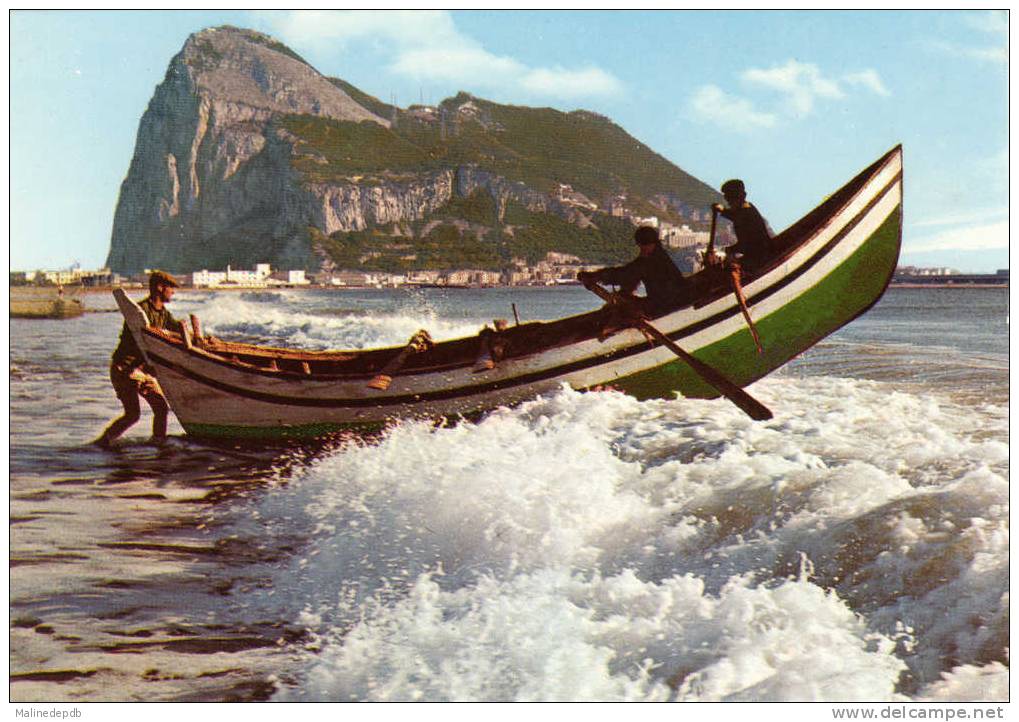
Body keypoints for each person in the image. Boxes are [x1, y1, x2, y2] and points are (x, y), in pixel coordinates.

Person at [94, 270, 181, 448]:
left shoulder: (163, 313)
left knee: (160, 409)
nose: (173, 292)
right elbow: (148, 337)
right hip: (124, 369)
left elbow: (176, 332)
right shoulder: (139, 312)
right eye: (171, 288)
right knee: (133, 415)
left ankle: (159, 444)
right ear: (160, 287)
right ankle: (103, 443)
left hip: (140, 370)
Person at [577, 225, 689, 317]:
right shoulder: (661, 256)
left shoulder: (650, 261)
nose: (640, 250)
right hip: (674, 302)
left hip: (665, 306)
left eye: (641, 247)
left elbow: (625, 274)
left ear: (644, 245)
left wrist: (595, 276)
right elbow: (629, 274)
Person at [713, 179, 775, 269]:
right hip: (760, 254)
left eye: (729, 200)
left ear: (734, 199)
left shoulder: (745, 214)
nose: (728, 203)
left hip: (759, 258)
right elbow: (736, 216)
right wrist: (722, 210)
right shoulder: (748, 207)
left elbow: (745, 245)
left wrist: (729, 250)